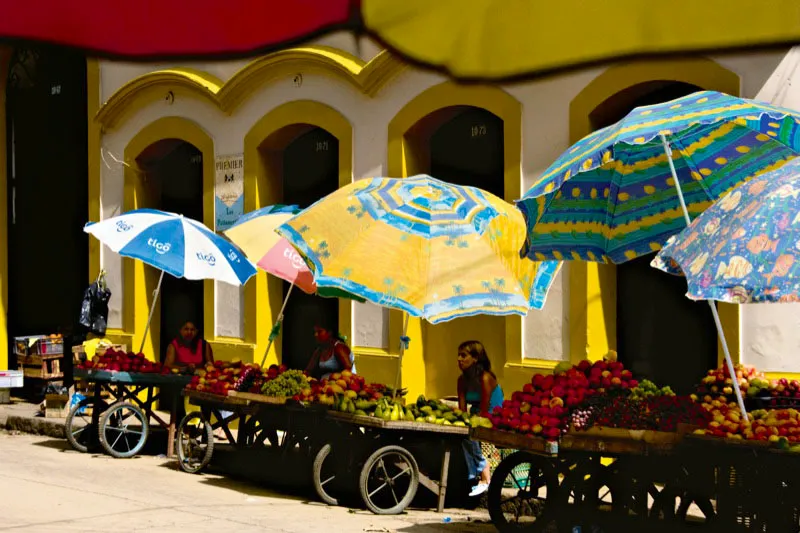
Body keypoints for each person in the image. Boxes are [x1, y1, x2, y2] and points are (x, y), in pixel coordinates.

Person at [457, 340, 504, 497]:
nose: (459, 359)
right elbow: (462, 411)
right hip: (476, 415)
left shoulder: (485, 378)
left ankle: (484, 472)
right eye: (458, 356)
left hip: (493, 415)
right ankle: (475, 472)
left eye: (464, 355)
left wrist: (471, 419)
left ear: (475, 358)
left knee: (471, 433)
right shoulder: (461, 381)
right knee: (462, 431)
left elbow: (485, 411)